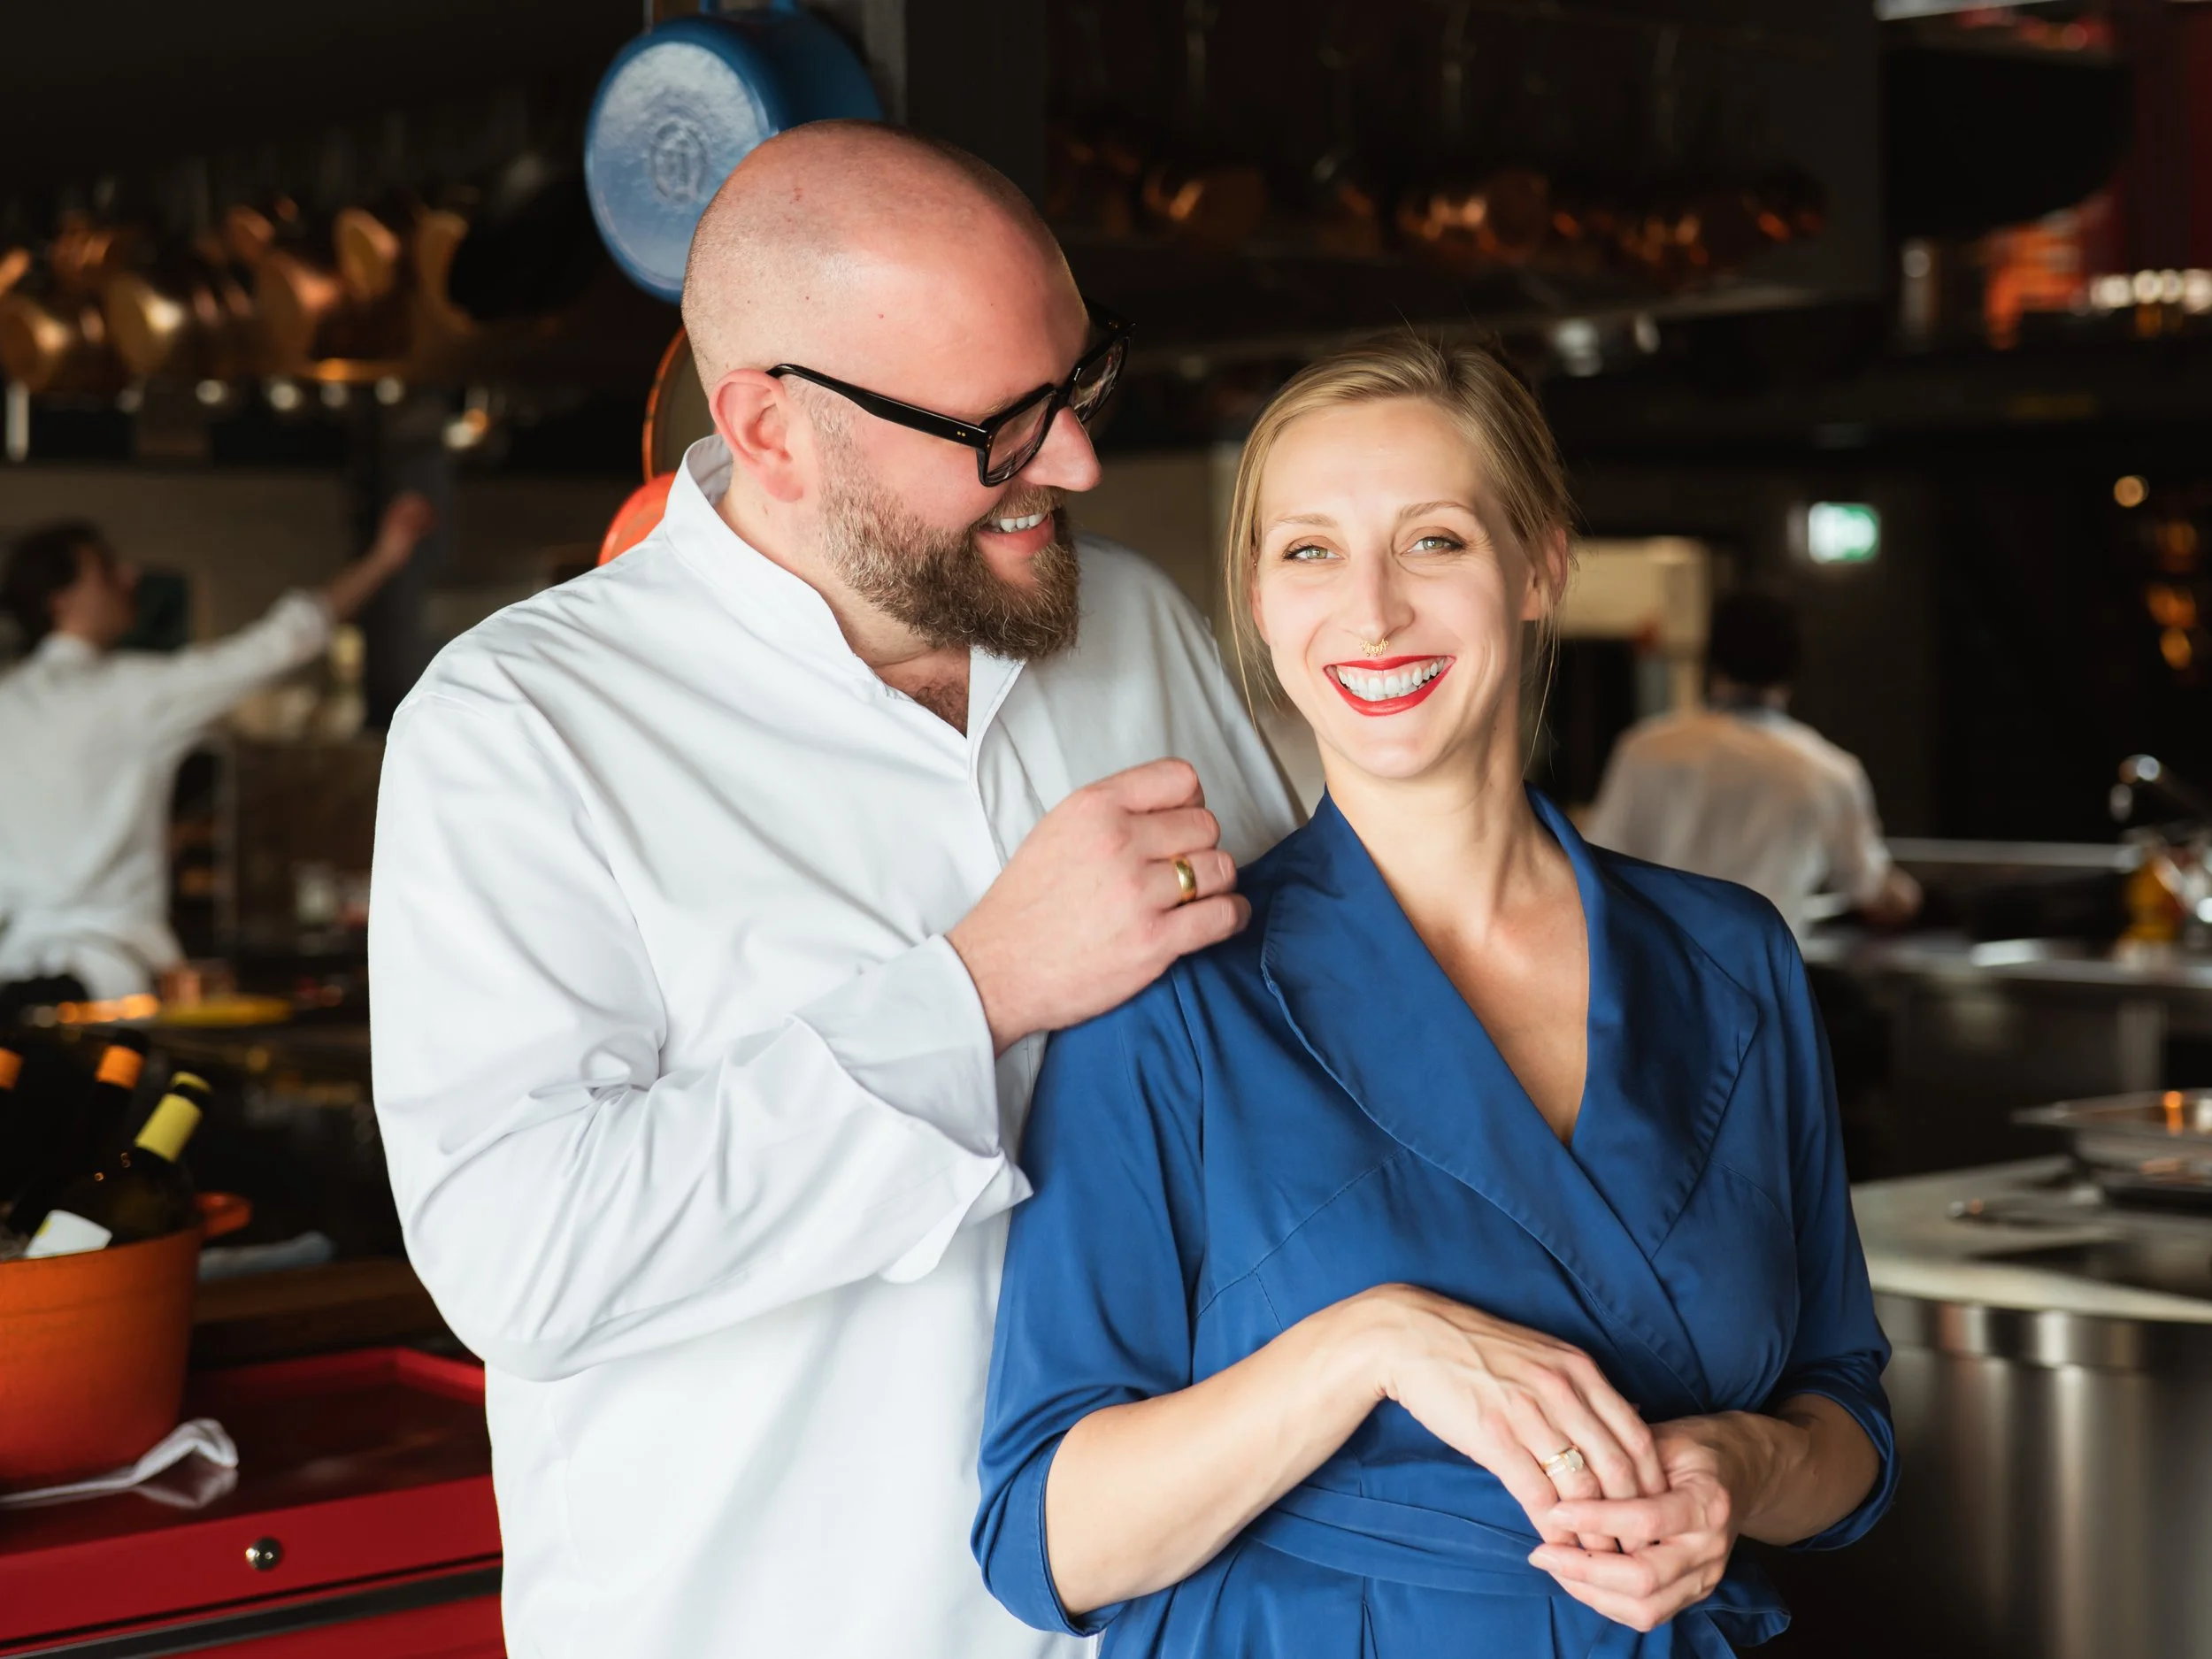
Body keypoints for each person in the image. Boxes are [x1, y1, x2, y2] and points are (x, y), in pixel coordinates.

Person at [368, 122, 1299, 1659]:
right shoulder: (519, 725)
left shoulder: (1134, 620)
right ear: (773, 430)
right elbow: (524, 1262)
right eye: (1002, 425)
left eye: (1079, 383)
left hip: (1181, 1619)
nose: (1076, 462)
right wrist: (980, 991)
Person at [974, 336, 1896, 1656]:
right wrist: (1370, 1346)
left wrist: (1741, 1471)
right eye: (1310, 551)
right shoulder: (1172, 993)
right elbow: (1046, 1537)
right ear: (1258, 599)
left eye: (1434, 541)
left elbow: (1844, 1416)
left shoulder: (1729, 957)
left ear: (1540, 567)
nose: (1372, 612)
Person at [0, 497, 431, 1012]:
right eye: (107, 569)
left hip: (14, 972)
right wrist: (385, 556)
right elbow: (278, 644)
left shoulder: (7, 703)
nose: (130, 575)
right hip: (107, 983)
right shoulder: (127, 694)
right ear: (60, 601)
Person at [1584, 590, 1921, 940]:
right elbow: (1868, 887)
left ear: (1712, 655)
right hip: (1763, 968)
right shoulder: (1829, 772)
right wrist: (1910, 898)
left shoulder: (1644, 749)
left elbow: (1596, 864)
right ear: (1795, 663)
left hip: (1657, 962)